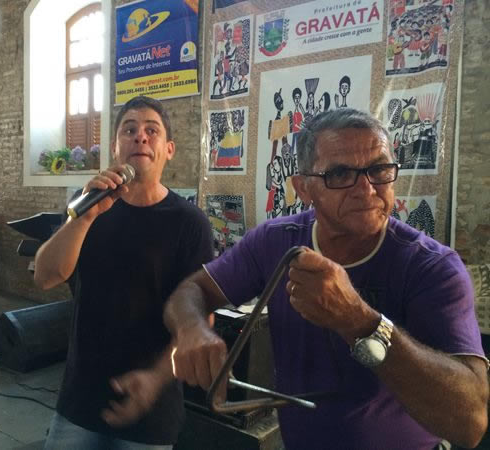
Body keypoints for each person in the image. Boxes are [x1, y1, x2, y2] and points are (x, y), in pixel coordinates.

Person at [164, 108, 489, 450]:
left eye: (378, 169)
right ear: (303, 188)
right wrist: (193, 330)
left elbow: (470, 424)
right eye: (340, 173)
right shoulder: (276, 242)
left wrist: (359, 320)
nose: (366, 189)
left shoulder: (431, 267)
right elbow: (190, 292)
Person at [35, 96, 213, 449]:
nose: (140, 137)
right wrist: (84, 217)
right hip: (80, 401)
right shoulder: (88, 204)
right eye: (129, 130)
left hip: (151, 410)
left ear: (169, 149)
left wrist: (155, 379)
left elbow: (200, 320)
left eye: (152, 130)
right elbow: (45, 276)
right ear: (115, 148)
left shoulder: (190, 223)